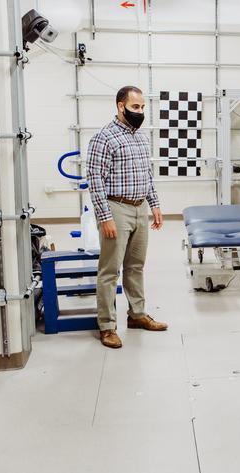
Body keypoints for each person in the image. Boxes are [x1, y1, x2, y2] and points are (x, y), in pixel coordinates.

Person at [86, 85, 168, 349]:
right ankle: (107, 327)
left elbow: (147, 175)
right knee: (110, 270)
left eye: (143, 107)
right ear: (121, 106)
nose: (140, 111)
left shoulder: (142, 137)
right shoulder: (104, 137)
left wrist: (154, 204)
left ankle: (137, 315)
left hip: (139, 207)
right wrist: (104, 216)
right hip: (116, 208)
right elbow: (95, 180)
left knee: (136, 266)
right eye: (135, 107)